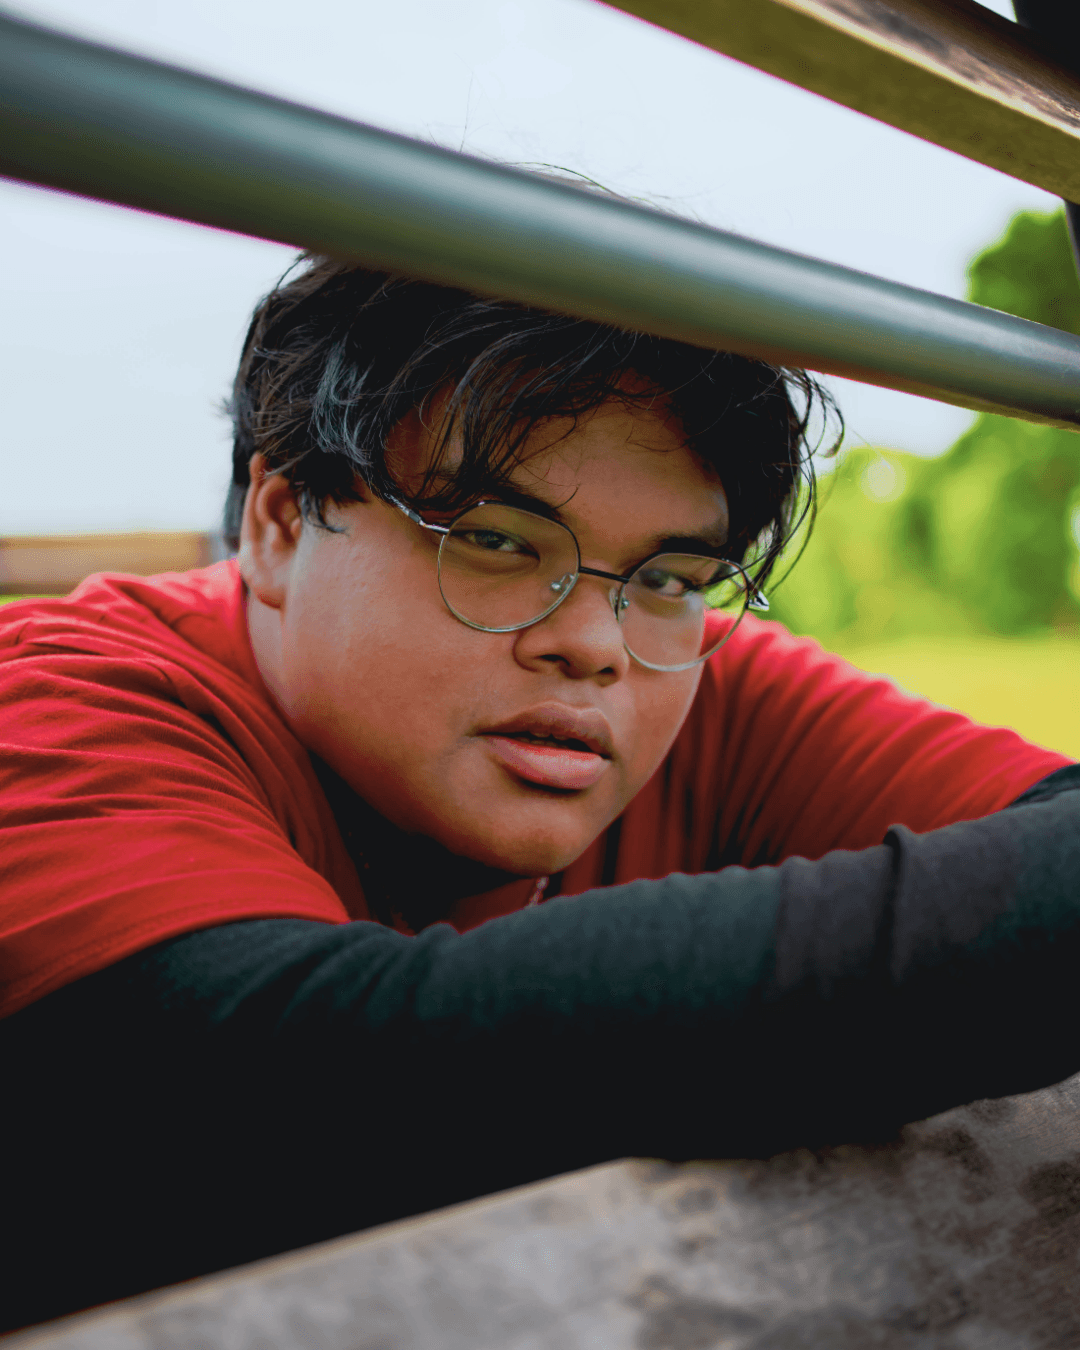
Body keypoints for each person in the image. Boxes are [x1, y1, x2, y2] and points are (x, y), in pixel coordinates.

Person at [2, 257, 1078, 1333]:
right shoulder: (55, 701)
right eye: (497, 542)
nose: (594, 644)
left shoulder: (692, 677)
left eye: (668, 577)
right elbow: (308, 1091)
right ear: (282, 524)